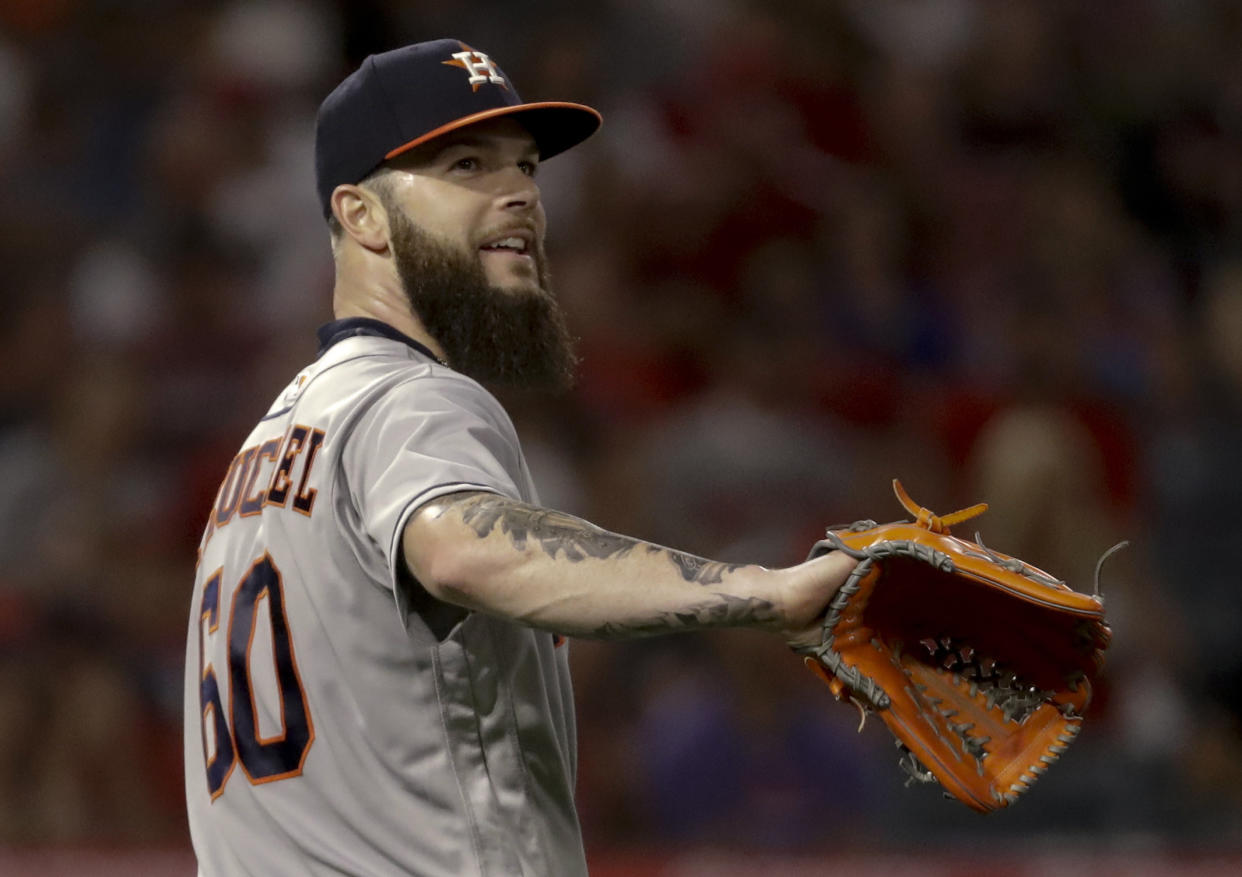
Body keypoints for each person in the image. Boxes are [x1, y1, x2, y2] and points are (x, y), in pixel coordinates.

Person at [184, 38, 855, 876]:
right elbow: (462, 548)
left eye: (527, 168)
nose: (520, 197)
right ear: (360, 214)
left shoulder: (269, 446)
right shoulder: (410, 398)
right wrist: (766, 590)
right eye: (467, 165)